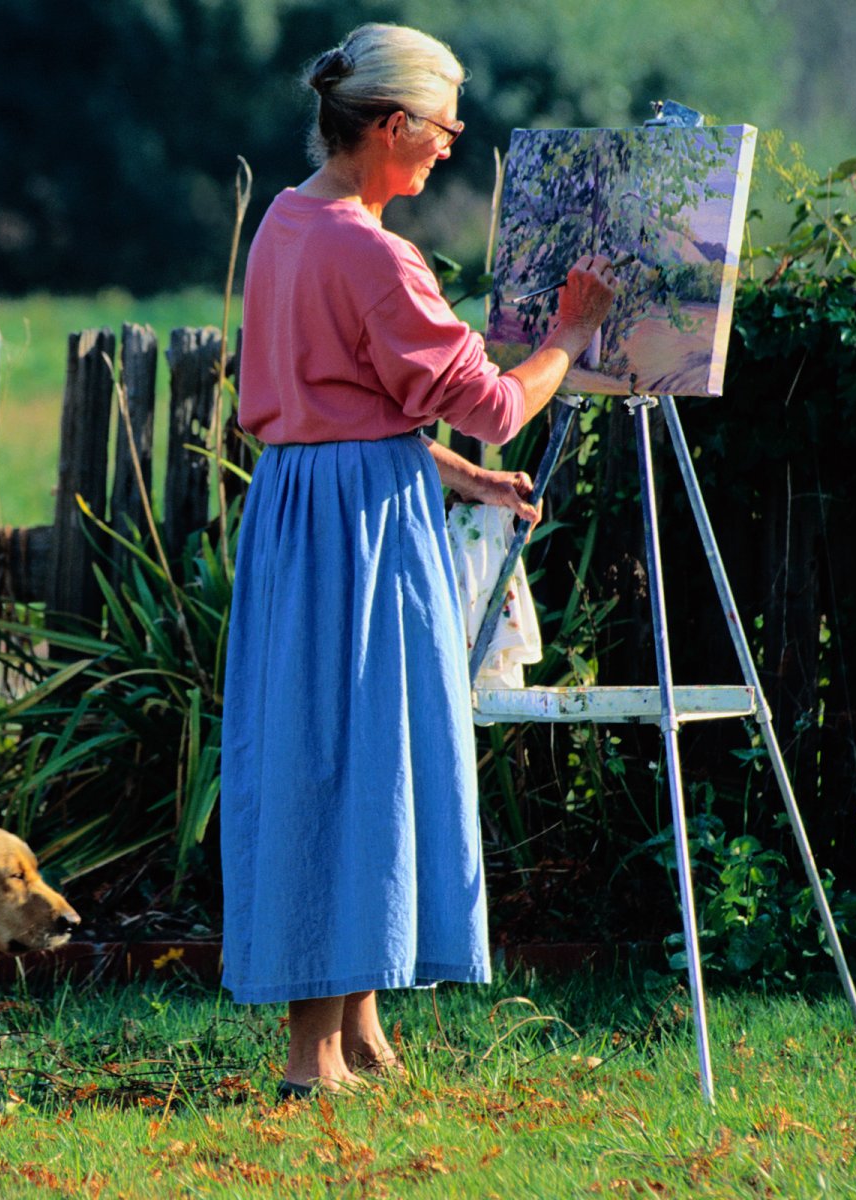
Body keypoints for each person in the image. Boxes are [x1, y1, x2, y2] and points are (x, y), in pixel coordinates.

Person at [221, 22, 617, 1096]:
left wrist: (467, 481)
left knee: (346, 751)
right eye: (442, 127)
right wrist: (571, 337)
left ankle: (358, 1029)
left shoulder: (289, 223)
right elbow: (495, 401)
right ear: (391, 124)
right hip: (359, 532)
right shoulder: (369, 249)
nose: (450, 144)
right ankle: (312, 1058)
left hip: (312, 508)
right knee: (347, 762)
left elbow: (345, 409)